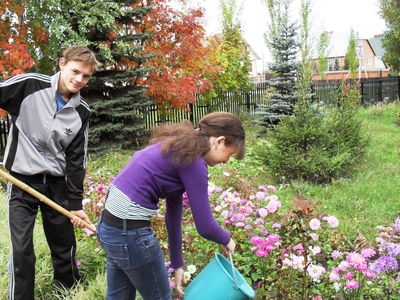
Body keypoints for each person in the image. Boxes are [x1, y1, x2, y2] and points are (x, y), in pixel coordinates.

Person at [97, 112, 246, 300]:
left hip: (110, 228)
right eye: (229, 154)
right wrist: (227, 240)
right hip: (129, 234)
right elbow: (205, 226)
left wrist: (177, 264)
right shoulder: (194, 163)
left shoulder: (180, 147)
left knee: (119, 297)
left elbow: (173, 215)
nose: (226, 161)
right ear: (220, 141)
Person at [0, 45, 99, 300]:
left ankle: (67, 290)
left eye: (86, 76)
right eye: (75, 71)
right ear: (62, 64)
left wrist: (75, 202)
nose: (79, 79)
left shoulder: (82, 111)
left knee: (64, 243)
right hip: (21, 181)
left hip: (56, 184)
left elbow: (76, 159)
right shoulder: (30, 85)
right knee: (22, 249)